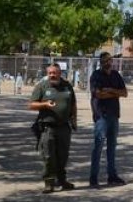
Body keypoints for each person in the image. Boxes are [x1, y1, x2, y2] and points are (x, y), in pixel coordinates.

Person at [29, 63, 78, 194]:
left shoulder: (67, 86)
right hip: (47, 127)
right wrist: (45, 104)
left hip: (64, 127)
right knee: (49, 156)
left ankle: (62, 180)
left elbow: (73, 104)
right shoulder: (42, 86)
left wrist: (74, 120)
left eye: (54, 73)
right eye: (50, 73)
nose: (52, 75)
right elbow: (31, 105)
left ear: (59, 73)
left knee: (63, 155)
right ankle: (49, 182)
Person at [88, 52, 128, 187]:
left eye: (109, 60)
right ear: (100, 62)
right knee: (98, 147)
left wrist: (110, 90)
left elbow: (125, 93)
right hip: (101, 116)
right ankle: (93, 178)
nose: (107, 62)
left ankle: (112, 176)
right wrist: (115, 92)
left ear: (112, 61)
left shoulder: (116, 75)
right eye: (104, 60)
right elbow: (98, 94)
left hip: (114, 115)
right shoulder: (96, 76)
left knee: (112, 148)